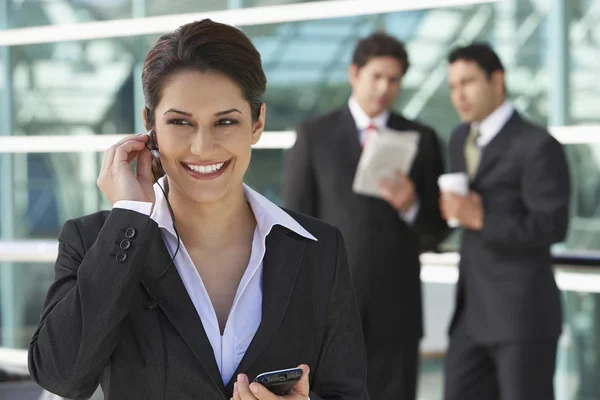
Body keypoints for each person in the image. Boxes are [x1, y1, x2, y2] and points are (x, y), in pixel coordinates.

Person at [28, 19, 369, 400]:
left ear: (257, 123)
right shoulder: (95, 243)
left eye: (225, 121)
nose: (203, 147)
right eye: (180, 122)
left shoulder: (319, 249)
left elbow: (347, 392)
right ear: (149, 125)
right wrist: (128, 216)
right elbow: (60, 376)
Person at [283, 32, 448, 400]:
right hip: (333, 307)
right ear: (354, 73)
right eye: (377, 76)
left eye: (394, 80)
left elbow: (436, 231)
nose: (384, 88)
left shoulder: (422, 138)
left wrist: (412, 205)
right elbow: (294, 224)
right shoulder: (315, 135)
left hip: (398, 310)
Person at [441, 43, 571, 400]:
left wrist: (482, 217)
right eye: (453, 86)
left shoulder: (538, 145)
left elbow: (552, 225)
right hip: (471, 314)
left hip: (522, 317)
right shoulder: (459, 138)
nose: (459, 95)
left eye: (467, 82)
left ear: (497, 80)